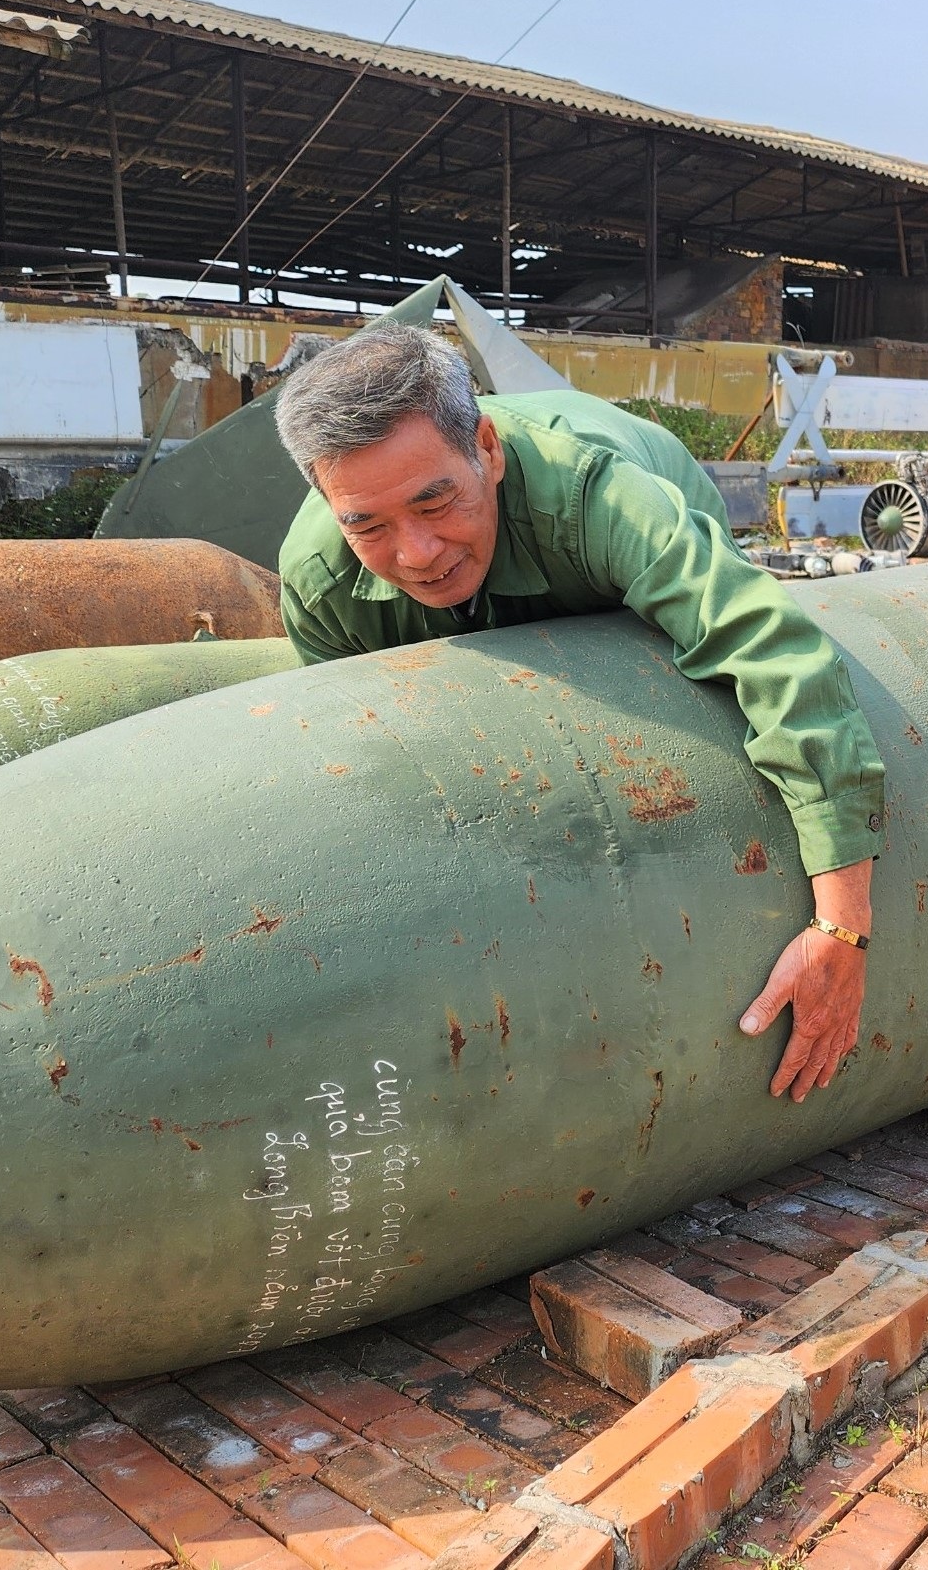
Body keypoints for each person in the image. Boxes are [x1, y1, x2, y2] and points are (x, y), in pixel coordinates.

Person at [274, 324, 886, 1103]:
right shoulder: (322, 583)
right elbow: (364, 762)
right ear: (330, 504)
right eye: (368, 524)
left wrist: (842, 926)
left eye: (436, 501)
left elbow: (774, 650)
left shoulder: (602, 501)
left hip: (641, 504)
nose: (418, 552)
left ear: (487, 451)